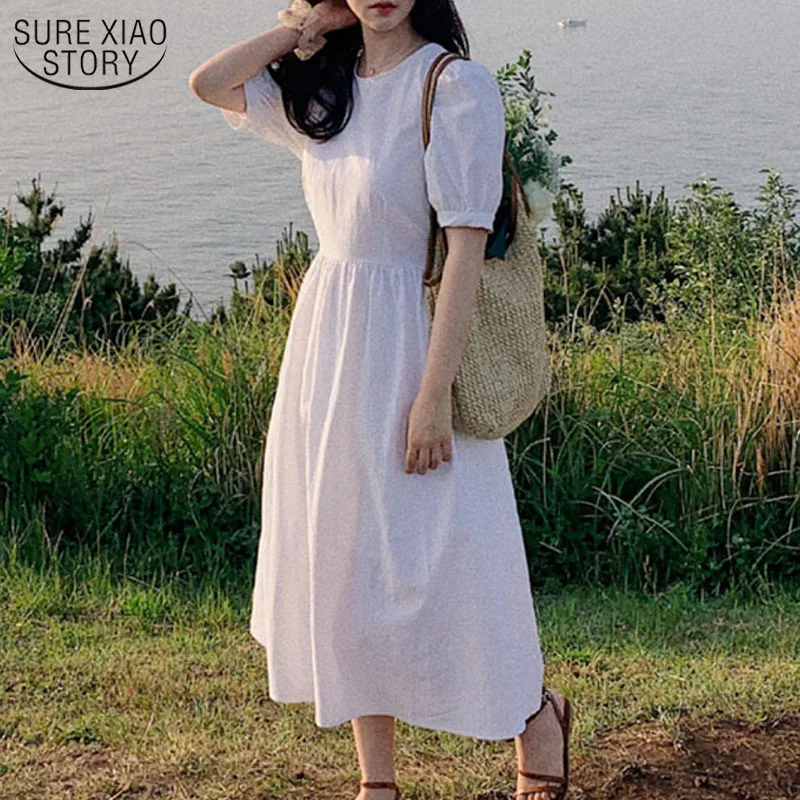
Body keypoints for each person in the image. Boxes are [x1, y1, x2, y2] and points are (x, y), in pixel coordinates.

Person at [189, 2, 572, 798]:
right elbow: (210, 82)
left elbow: (465, 252)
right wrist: (304, 25)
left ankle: (533, 714)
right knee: (348, 558)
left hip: (418, 343)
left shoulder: (454, 87)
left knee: (457, 556)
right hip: (332, 350)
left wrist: (433, 394)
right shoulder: (324, 91)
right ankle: (378, 783)